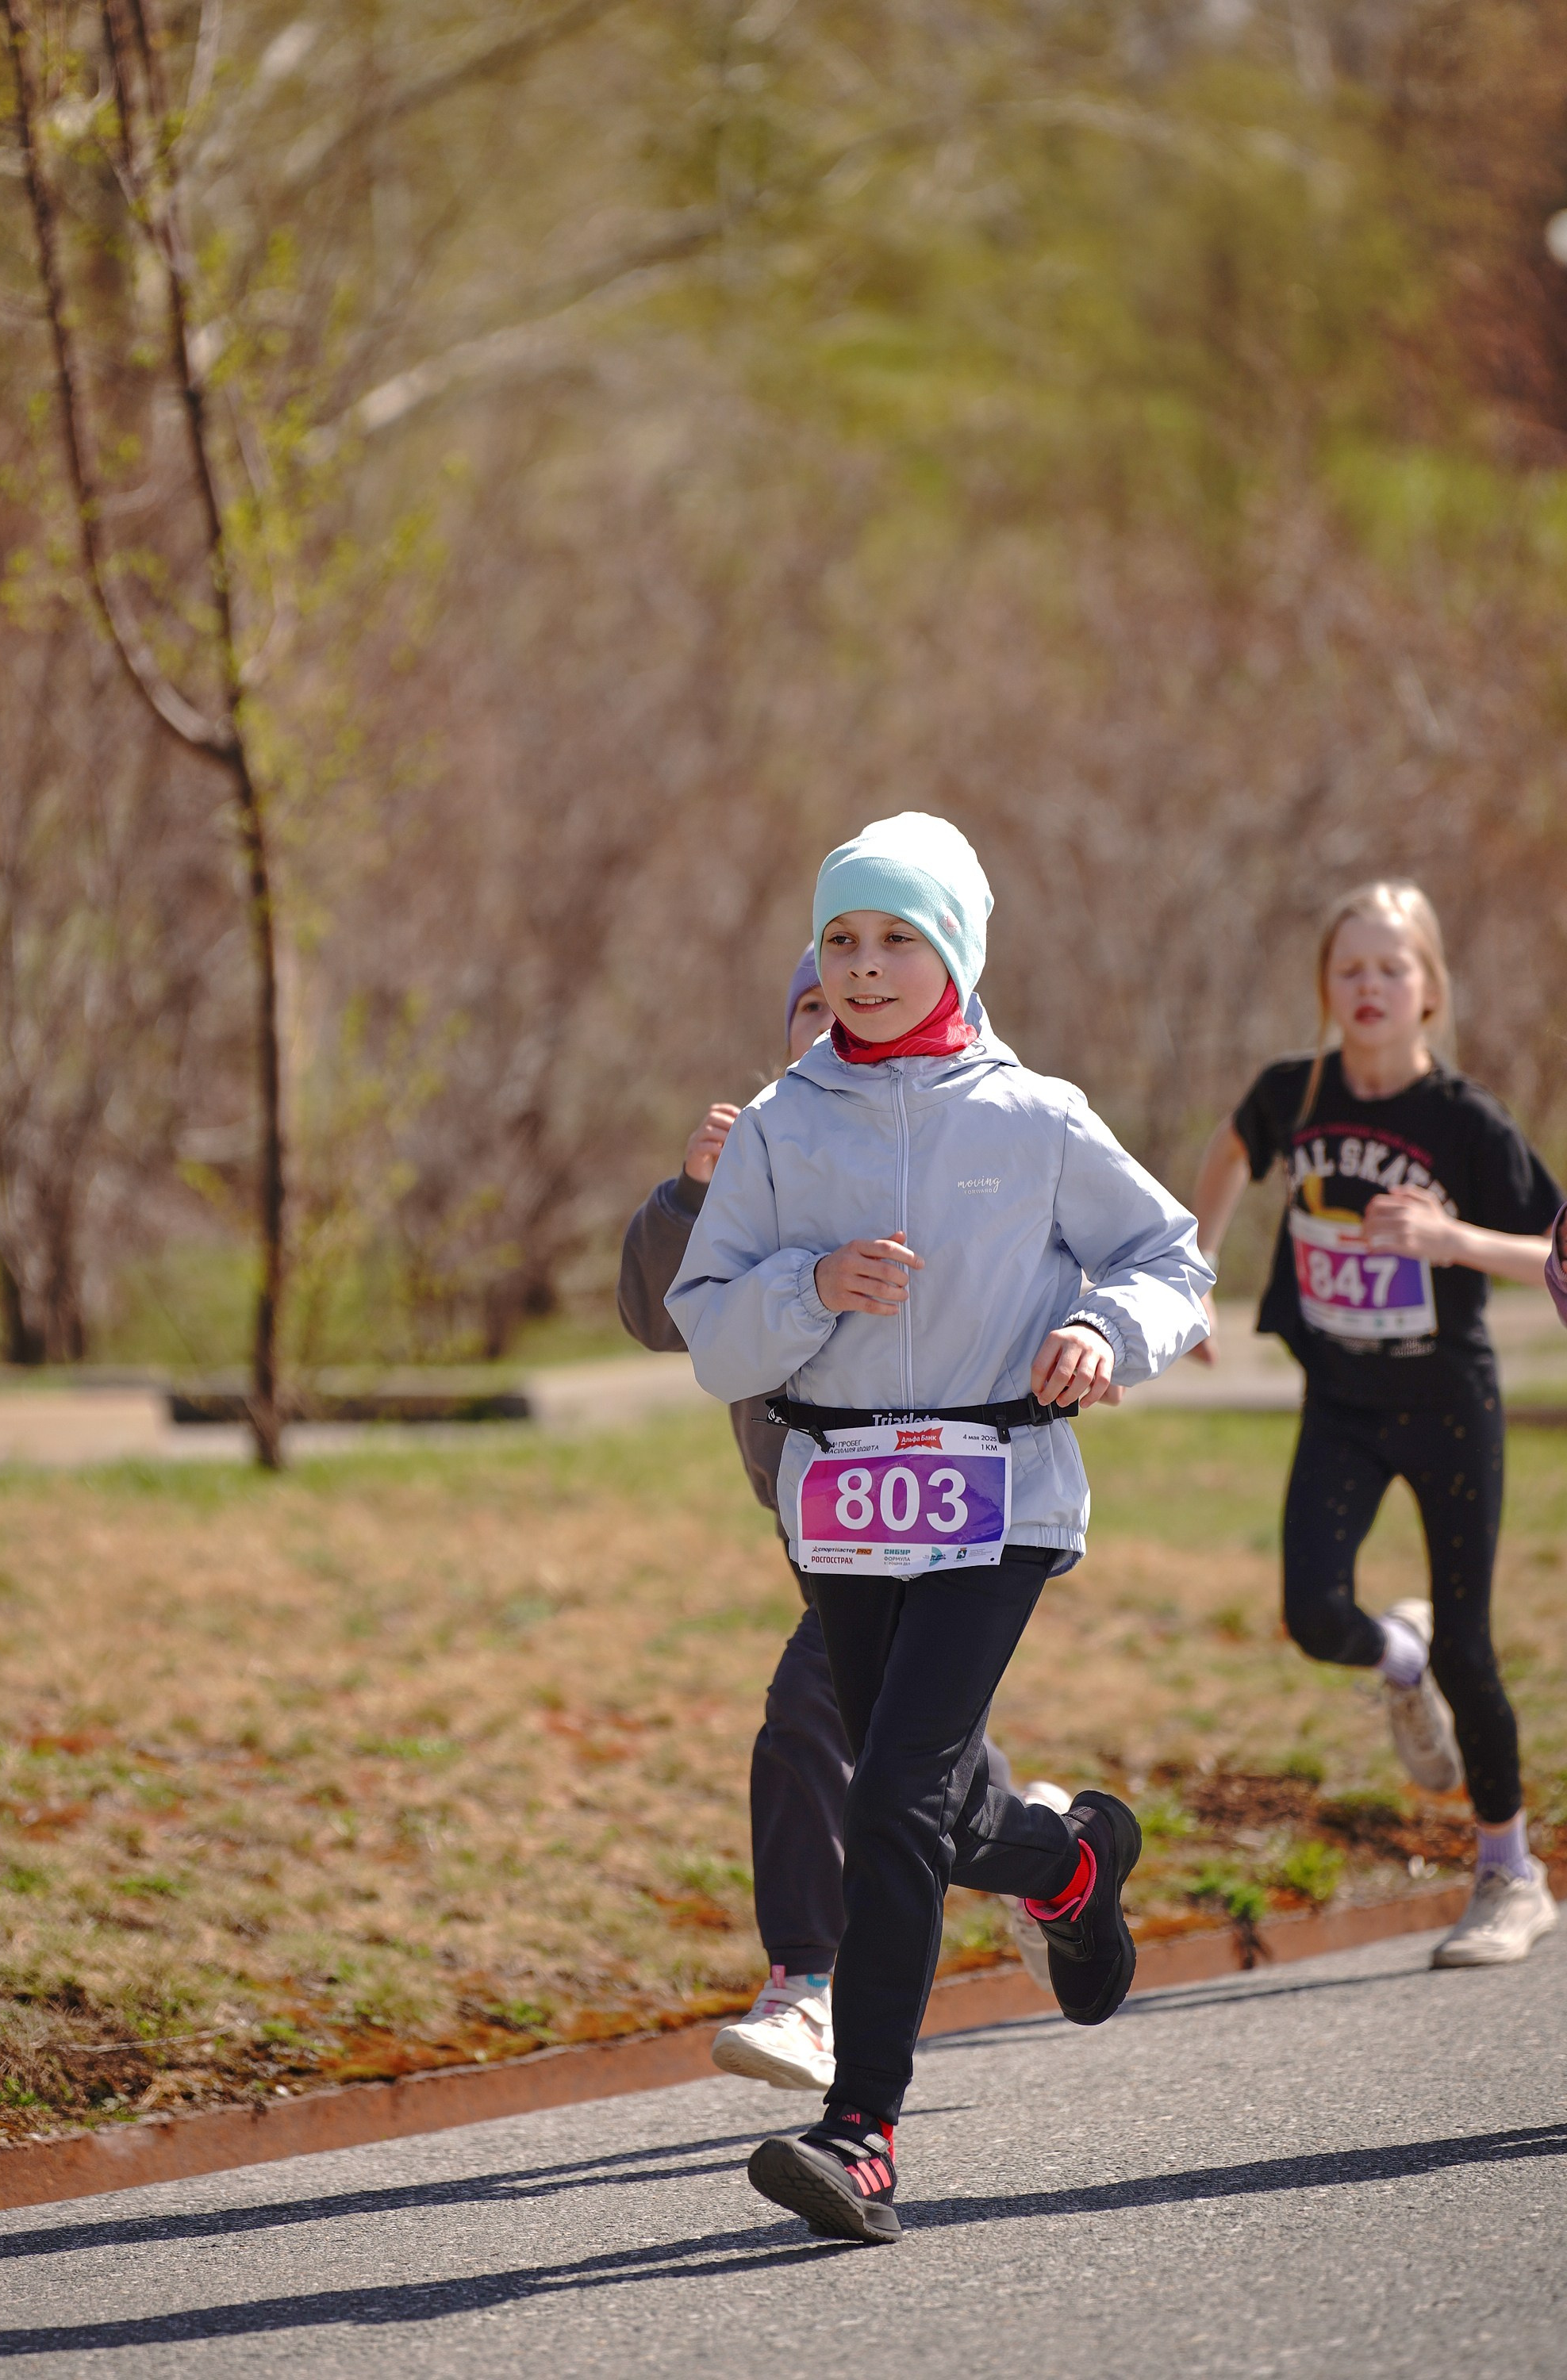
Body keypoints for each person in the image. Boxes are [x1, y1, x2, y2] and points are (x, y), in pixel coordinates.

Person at [667, 812, 1211, 2244]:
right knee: (940, 1802)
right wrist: (810, 1290)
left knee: (890, 1791)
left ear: (957, 953)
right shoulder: (784, 1125)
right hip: (844, 1510)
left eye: (898, 937)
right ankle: (1073, 1867)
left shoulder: (1034, 1118)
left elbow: (1174, 1259)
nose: (863, 966)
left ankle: (863, 2135)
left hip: (1000, 1497)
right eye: (842, 939)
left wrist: (1103, 1325)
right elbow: (710, 1331)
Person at [617, 946, 1043, 2096]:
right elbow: (659, 1322)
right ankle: (1045, 1853)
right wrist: (694, 1198)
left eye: (858, 989)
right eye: (808, 1001)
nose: (835, 1011)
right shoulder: (762, 1161)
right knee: (909, 1748)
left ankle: (806, 1986)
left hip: (948, 1517)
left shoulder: (943, 1144)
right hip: (822, 1529)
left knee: (809, 1717)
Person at [1190, 879, 1562, 1971]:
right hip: (1342, 1402)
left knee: (1473, 1643)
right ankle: (1398, 1661)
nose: (1368, 986)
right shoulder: (1292, 1093)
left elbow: (1555, 1252)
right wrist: (1194, 1268)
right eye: (1348, 968)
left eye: (1391, 967)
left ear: (1431, 991)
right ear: (1326, 988)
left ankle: (1509, 1873)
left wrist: (1452, 1238)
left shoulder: (1464, 1121)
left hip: (1449, 1400)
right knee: (1312, 1613)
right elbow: (1227, 1153)